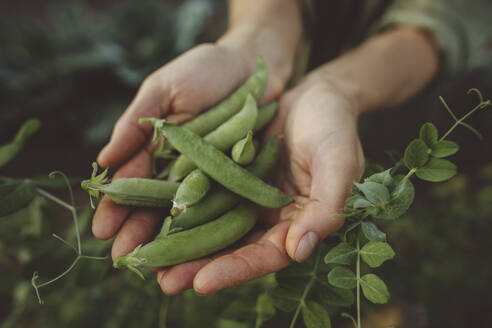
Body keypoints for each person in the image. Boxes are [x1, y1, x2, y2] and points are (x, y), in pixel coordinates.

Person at [91, 0, 492, 295]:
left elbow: (443, 20)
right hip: (292, 85)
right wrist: (252, 41)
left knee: (396, 191)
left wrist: (338, 89)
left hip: (406, 98)